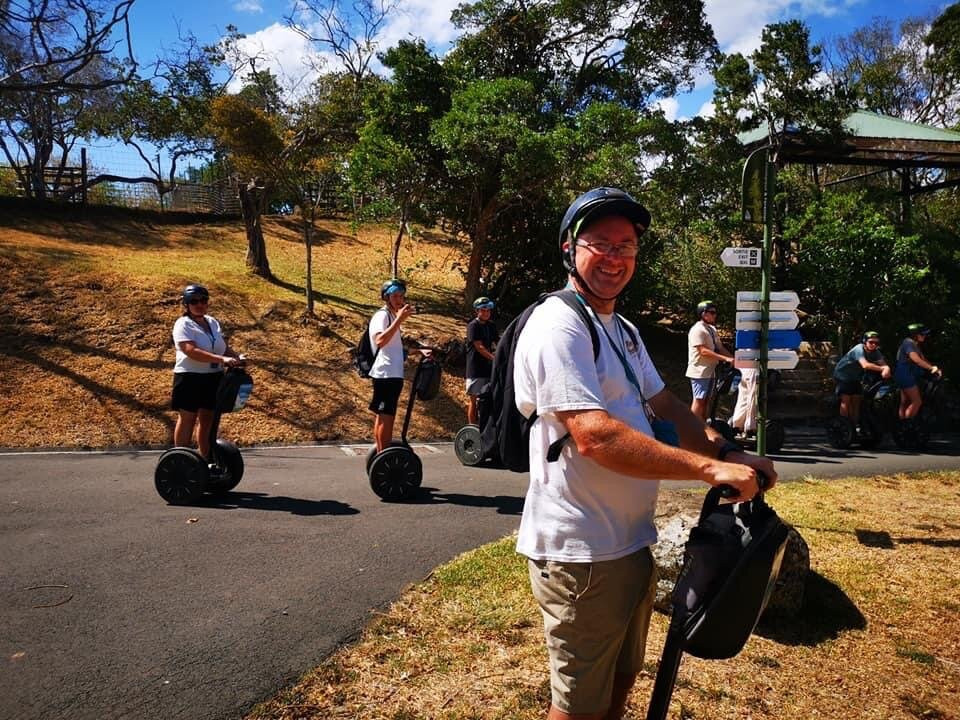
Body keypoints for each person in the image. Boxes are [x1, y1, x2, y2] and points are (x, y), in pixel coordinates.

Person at [513, 187, 778, 720]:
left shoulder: (623, 329)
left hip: (631, 541)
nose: (615, 258)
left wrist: (728, 448)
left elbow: (667, 405)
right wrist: (707, 468)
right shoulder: (558, 323)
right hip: (580, 551)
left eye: (627, 246)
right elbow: (594, 435)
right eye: (601, 244)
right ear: (569, 248)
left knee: (621, 677)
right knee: (578, 702)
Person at [171, 284, 245, 459]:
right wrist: (222, 360)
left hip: (213, 377)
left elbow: (222, 348)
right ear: (187, 304)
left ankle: (206, 459)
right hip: (189, 377)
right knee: (188, 418)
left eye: (203, 300)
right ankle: (180, 460)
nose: (199, 304)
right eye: (194, 301)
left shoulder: (212, 322)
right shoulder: (183, 324)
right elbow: (190, 350)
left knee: (208, 420)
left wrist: (237, 358)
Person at [369, 278, 415, 452]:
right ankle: (383, 456)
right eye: (395, 296)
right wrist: (400, 319)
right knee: (385, 417)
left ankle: (382, 454)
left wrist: (418, 352)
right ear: (386, 297)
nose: (399, 300)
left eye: (402, 296)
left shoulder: (392, 316)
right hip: (385, 374)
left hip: (393, 374)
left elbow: (393, 348)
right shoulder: (382, 315)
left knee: (387, 417)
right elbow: (380, 340)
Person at [686, 300, 733, 421]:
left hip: (710, 371)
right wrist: (725, 359)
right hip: (699, 371)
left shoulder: (711, 329)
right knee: (699, 400)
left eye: (715, 312)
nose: (714, 315)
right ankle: (692, 429)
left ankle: (703, 427)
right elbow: (703, 351)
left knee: (707, 400)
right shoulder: (697, 330)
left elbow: (720, 348)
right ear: (703, 314)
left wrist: (733, 359)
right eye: (712, 312)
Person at [832, 331, 891, 426]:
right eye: (871, 342)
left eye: (876, 343)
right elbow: (865, 365)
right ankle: (843, 426)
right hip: (842, 376)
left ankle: (854, 426)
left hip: (855, 377)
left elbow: (884, 364)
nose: (874, 345)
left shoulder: (876, 352)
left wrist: (886, 368)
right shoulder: (858, 349)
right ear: (865, 341)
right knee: (846, 400)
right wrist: (882, 369)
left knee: (856, 401)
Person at [895, 323, 941, 420]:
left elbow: (923, 359)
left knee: (905, 402)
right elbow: (916, 359)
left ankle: (901, 426)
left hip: (905, 374)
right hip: (905, 375)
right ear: (914, 335)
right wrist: (931, 369)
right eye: (922, 334)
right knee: (917, 401)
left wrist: (934, 367)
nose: (925, 336)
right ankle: (907, 425)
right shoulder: (908, 343)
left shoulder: (914, 344)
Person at [465, 296, 499, 425]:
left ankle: (486, 427)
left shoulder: (491, 325)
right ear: (477, 311)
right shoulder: (473, 326)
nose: (486, 313)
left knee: (487, 399)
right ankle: (472, 427)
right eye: (483, 310)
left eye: (488, 310)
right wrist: (494, 358)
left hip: (489, 369)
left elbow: (498, 342)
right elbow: (479, 347)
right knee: (474, 400)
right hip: (475, 369)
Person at [729, 367, 759, 439]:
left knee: (743, 397)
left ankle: (737, 424)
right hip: (754, 368)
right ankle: (750, 427)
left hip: (743, 368)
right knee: (753, 397)